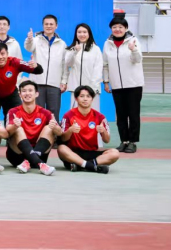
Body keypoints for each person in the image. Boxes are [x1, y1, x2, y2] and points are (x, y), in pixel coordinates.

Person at [104, 16, 143, 154]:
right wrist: (106, 81)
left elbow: (137, 60)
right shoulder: (108, 43)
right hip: (116, 85)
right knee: (120, 115)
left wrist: (133, 50)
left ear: (126, 28)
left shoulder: (133, 41)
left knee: (133, 114)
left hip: (133, 84)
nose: (117, 29)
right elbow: (105, 64)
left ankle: (133, 142)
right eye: (114, 27)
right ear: (111, 29)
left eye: (120, 27)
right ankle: (124, 141)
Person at [58, 85, 120, 173]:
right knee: (61, 148)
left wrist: (103, 131)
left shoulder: (100, 117)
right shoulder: (68, 115)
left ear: (92, 99)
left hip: (92, 152)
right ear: (76, 98)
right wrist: (70, 130)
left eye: (88, 96)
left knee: (115, 153)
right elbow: (63, 139)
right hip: (74, 153)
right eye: (82, 96)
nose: (85, 99)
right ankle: (91, 166)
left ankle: (82, 165)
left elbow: (107, 140)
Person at [4, 80, 58, 175]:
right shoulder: (13, 111)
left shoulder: (46, 113)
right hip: (18, 156)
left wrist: (54, 127)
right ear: (20, 94)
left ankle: (29, 161)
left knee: (49, 128)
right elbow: (7, 132)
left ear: (36, 94)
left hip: (40, 153)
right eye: (24, 91)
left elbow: (60, 133)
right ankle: (40, 164)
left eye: (30, 90)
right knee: (18, 129)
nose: (27, 93)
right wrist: (15, 126)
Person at [0, 42, 42, 120]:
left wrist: (36, 66)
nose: (0, 57)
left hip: (11, 94)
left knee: (16, 118)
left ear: (7, 54)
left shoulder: (15, 62)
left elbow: (39, 71)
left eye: (3, 54)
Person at [25, 15, 66, 120]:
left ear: (56, 26)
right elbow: (29, 48)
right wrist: (29, 39)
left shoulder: (62, 44)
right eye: (46, 24)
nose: (49, 26)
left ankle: (53, 131)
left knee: (54, 113)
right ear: (43, 25)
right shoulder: (36, 40)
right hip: (37, 82)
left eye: (51, 24)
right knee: (37, 112)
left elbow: (64, 64)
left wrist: (64, 81)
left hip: (54, 84)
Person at [64, 24, 104, 110]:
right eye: (79, 32)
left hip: (92, 90)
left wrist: (91, 88)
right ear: (76, 34)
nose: (82, 34)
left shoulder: (96, 49)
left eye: (84, 32)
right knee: (75, 114)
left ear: (89, 34)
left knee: (92, 115)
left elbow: (98, 69)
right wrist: (75, 51)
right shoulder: (71, 49)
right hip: (75, 89)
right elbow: (68, 63)